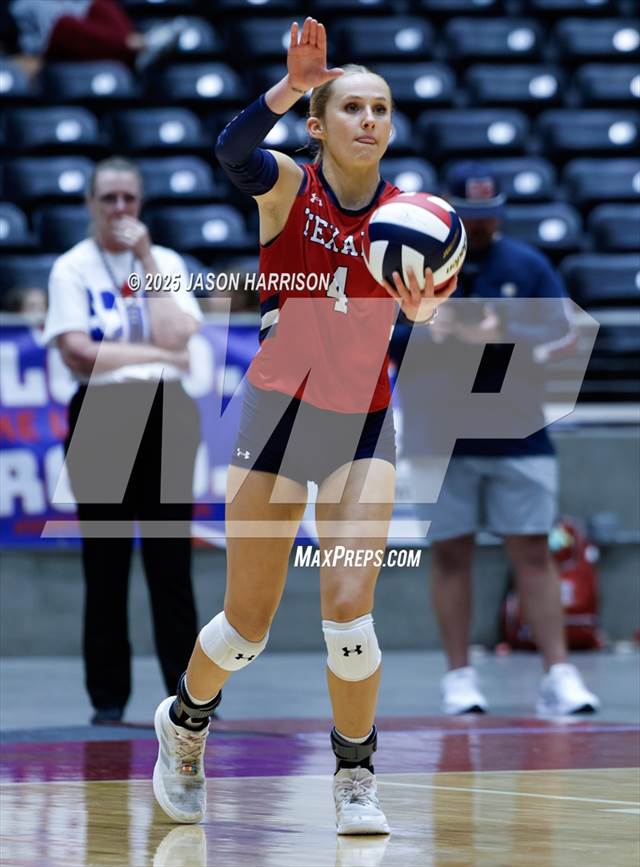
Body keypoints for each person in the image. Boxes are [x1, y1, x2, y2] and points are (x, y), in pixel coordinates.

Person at [151, 17, 457, 833]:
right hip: (277, 417)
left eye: (381, 108)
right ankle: (185, 722)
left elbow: (433, 309)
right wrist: (290, 87)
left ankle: (355, 774)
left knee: (349, 618)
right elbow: (230, 150)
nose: (369, 120)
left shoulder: (413, 218)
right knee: (245, 627)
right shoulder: (289, 185)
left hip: (362, 422)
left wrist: (429, 309)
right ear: (318, 125)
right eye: (352, 107)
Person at [399, 161, 600, 717]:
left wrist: (502, 332)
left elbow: (565, 331)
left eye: (487, 215)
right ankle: (458, 677)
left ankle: (558, 673)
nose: (480, 225)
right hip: (440, 434)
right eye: (469, 215)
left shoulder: (527, 265)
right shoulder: (416, 266)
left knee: (534, 551)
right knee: (450, 554)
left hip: (518, 430)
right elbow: (381, 337)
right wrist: (428, 329)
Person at [43, 156, 202, 724]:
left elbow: (180, 334)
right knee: (105, 564)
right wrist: (158, 354)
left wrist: (146, 259)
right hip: (101, 412)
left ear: (141, 204)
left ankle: (188, 699)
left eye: (128, 198)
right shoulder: (72, 267)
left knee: (171, 563)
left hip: (166, 411)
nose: (119, 208)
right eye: (108, 198)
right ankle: (108, 702)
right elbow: (78, 353)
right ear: (90, 203)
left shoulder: (167, 262)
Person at [8, 0, 185, 73]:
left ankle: (134, 46)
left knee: (99, 5)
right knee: (65, 25)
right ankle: (136, 46)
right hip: (47, 43)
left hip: (74, 18)